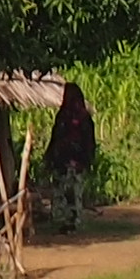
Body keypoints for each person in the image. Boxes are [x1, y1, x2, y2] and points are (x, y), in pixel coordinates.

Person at [41, 83, 97, 233]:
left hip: (75, 162)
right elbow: (56, 137)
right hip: (62, 161)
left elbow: (89, 142)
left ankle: (73, 222)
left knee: (74, 193)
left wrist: (85, 160)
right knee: (61, 192)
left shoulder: (83, 118)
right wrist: (50, 156)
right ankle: (62, 222)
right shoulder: (63, 116)